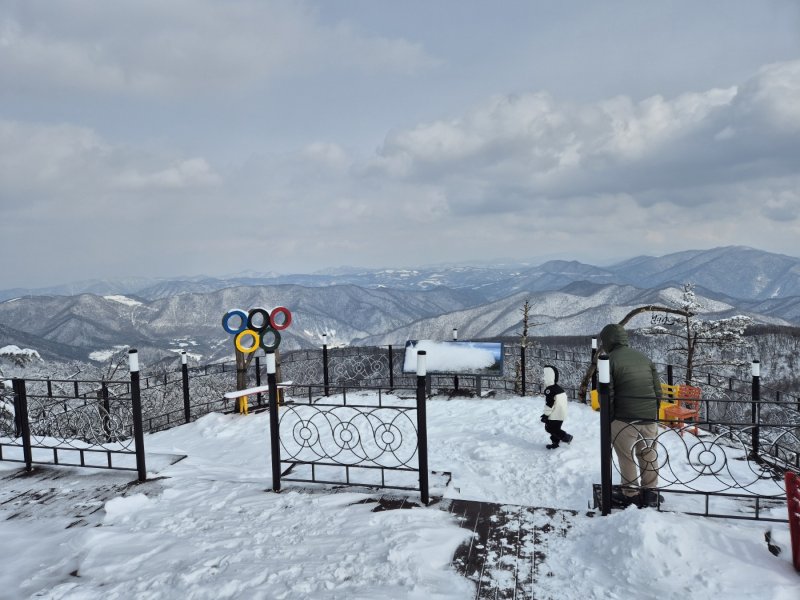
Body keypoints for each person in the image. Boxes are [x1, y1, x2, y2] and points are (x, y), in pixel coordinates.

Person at [598, 323, 662, 508]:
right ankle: (650, 492)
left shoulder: (609, 360)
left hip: (624, 419)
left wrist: (609, 417)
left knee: (626, 457)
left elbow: (607, 394)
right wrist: (652, 411)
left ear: (608, 340)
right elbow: (658, 390)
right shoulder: (643, 358)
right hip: (649, 418)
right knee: (648, 454)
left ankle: (631, 494)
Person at [540, 365, 573, 449]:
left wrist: (546, 415)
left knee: (550, 428)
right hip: (561, 413)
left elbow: (549, 404)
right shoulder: (558, 388)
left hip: (554, 414)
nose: (544, 378)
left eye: (545, 375)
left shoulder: (550, 390)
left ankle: (566, 437)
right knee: (555, 429)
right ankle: (555, 443)